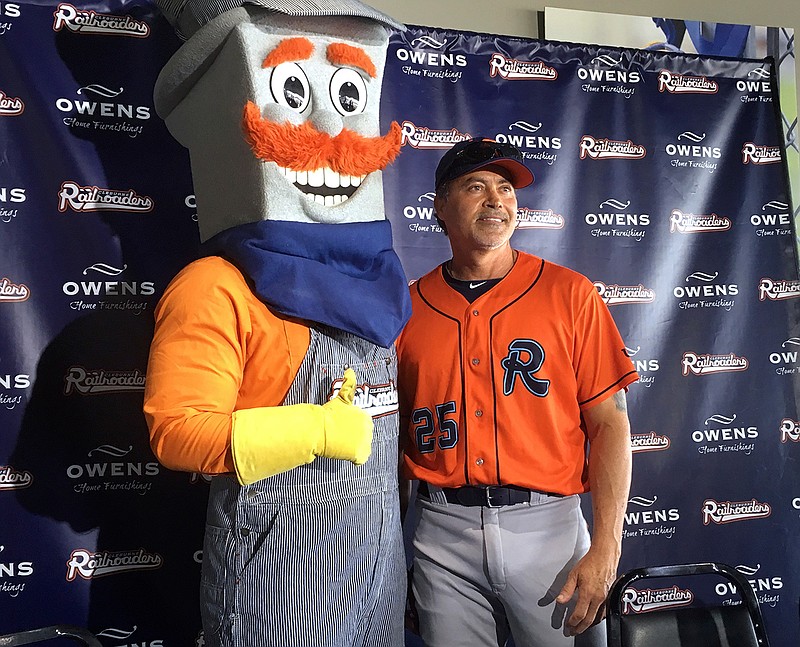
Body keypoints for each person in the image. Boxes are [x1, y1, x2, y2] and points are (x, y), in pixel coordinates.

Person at [143, 1, 411, 646]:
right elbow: (176, 433)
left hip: (377, 557)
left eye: (347, 96)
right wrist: (312, 427)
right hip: (279, 575)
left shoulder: (380, 284)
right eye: (293, 92)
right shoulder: (217, 285)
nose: (332, 134)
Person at [396, 138, 639, 646]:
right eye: (475, 186)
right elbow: (391, 450)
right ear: (439, 206)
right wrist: (393, 560)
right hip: (442, 530)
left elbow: (611, 423)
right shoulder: (407, 309)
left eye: (505, 189)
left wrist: (607, 547)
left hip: (549, 531)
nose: (495, 201)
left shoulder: (569, 293)